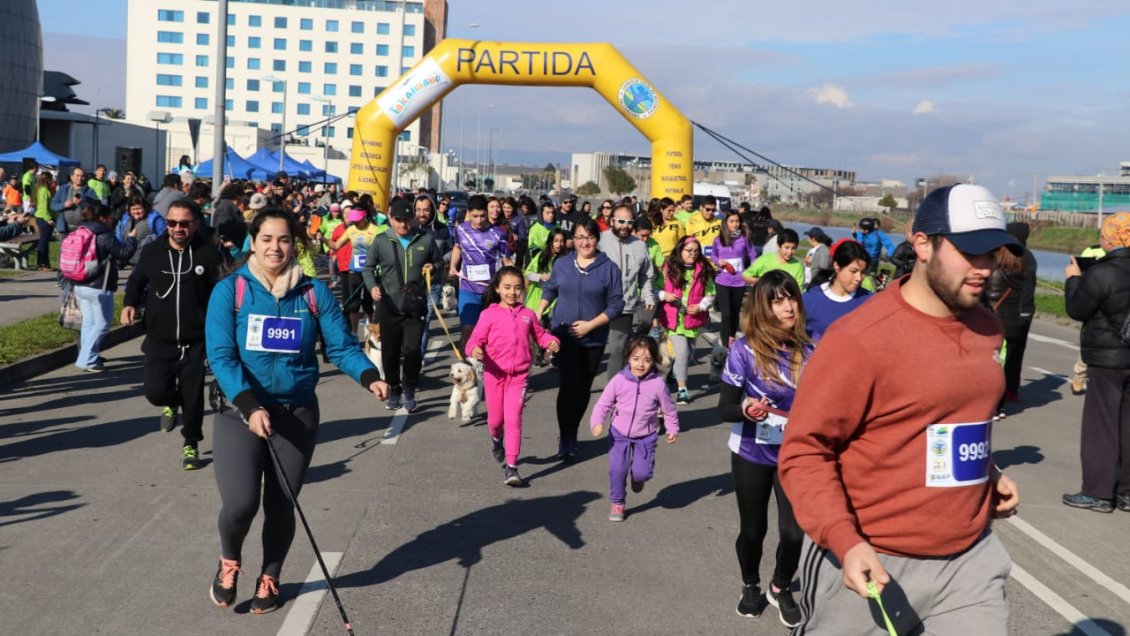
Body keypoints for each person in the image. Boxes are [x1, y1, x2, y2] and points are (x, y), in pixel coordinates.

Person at [778, 184, 1022, 635]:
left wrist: (986, 471)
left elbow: (944, 421)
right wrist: (844, 540)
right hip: (871, 562)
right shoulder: (858, 338)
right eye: (970, 252)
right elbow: (804, 451)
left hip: (970, 562)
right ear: (923, 244)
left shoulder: (988, 327)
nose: (984, 268)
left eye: (992, 254)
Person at [205, 208, 390, 614]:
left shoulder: (313, 293)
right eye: (267, 239)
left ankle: (270, 576)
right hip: (240, 412)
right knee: (240, 504)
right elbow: (221, 355)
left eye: (284, 240)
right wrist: (249, 405)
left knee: (282, 504)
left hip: (297, 414)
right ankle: (229, 561)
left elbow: (340, 346)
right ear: (254, 242)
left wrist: (368, 376)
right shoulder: (231, 291)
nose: (275, 247)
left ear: (295, 245)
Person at [718, 270, 811, 628]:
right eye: (778, 301)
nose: (788, 307)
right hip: (751, 453)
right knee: (753, 531)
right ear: (763, 307)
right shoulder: (744, 351)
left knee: (794, 532)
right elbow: (724, 408)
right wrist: (745, 408)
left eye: (791, 298)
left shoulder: (811, 349)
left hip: (795, 454)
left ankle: (780, 586)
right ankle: (751, 584)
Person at [121, 199, 223, 469]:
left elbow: (223, 290)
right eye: (172, 222)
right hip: (159, 340)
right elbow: (136, 281)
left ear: (196, 224)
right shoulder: (152, 251)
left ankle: (191, 443)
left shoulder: (207, 254)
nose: (178, 228)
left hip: (195, 342)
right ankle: (170, 402)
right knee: (155, 392)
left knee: (193, 397)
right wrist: (129, 304)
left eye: (184, 223)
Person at [466, 267, 561, 486]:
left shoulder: (528, 314)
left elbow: (541, 335)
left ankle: (512, 467)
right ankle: (496, 439)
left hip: (519, 377)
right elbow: (474, 340)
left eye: (517, 288)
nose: (512, 292)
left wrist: (552, 342)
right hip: (494, 375)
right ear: (497, 289)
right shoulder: (488, 315)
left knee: (513, 419)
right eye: (507, 287)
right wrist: (474, 349)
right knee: (495, 421)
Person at [1062, 211, 1130, 513]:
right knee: (1128, 424)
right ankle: (1127, 492)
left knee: (1101, 425)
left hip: (1107, 358)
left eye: (1103, 235)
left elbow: (1078, 309)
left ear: (1111, 239)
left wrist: (1073, 280)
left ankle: (1098, 492)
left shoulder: (1101, 273)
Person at [539, 217, 624, 460]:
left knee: (583, 388)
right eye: (580, 237)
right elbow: (551, 288)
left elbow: (616, 304)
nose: (585, 242)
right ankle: (566, 436)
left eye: (590, 237)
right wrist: (539, 309)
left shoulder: (609, 268)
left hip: (593, 337)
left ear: (597, 239)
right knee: (567, 386)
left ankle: (573, 428)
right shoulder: (562, 264)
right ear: (573, 240)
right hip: (564, 334)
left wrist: (590, 325)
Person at [362, 199, 444, 412]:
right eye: (398, 220)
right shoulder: (381, 240)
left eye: (406, 219)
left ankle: (409, 389)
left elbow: (439, 262)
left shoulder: (425, 238)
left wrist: (433, 268)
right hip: (389, 306)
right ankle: (395, 389)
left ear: (412, 219)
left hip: (415, 307)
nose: (403, 224)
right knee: (389, 352)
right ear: (390, 218)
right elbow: (368, 268)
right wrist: (372, 287)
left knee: (412, 350)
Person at [591, 336, 679, 522]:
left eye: (647, 360)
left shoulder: (658, 384)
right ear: (628, 358)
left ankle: (638, 478)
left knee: (642, 473)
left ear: (654, 361)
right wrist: (597, 422)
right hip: (619, 434)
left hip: (645, 435)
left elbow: (669, 409)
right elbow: (603, 404)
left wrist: (672, 429)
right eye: (636, 358)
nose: (641, 364)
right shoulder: (619, 380)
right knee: (617, 469)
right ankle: (617, 502)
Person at [71, 203, 138, 371]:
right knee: (102, 324)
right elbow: (123, 254)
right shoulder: (104, 234)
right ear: (103, 218)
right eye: (110, 217)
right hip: (99, 285)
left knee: (89, 323)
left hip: (80, 283)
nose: (112, 220)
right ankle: (87, 360)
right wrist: (131, 239)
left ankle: (88, 358)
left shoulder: (80, 231)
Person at [599, 204, 656, 382]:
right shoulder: (599, 241)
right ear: (612, 221)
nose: (625, 226)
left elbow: (646, 275)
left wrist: (648, 296)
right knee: (592, 352)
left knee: (618, 350)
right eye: (621, 221)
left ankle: (614, 391)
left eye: (629, 222)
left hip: (624, 307)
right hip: (597, 306)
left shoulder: (639, 245)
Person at [656, 235, 716, 404]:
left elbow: (711, 294)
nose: (693, 254)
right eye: (689, 250)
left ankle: (675, 371)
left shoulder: (703, 269)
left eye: (696, 251)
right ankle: (683, 391)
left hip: (693, 321)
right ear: (680, 250)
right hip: (673, 320)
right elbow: (655, 289)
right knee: (682, 352)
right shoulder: (668, 268)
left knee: (687, 356)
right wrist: (664, 295)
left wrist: (701, 306)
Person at [449, 195, 512, 351]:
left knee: (489, 332)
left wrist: (515, 281)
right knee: (468, 328)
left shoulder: (498, 233)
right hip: (468, 288)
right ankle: (465, 362)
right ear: (469, 213)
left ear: (487, 212)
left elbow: (507, 260)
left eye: (482, 216)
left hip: (490, 291)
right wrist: (453, 266)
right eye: (475, 216)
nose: (479, 220)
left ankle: (486, 362)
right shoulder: (461, 229)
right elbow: (457, 247)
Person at [802, 240, 872, 342]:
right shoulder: (811, 299)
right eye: (853, 271)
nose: (859, 278)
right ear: (837, 266)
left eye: (863, 272)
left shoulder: (870, 301)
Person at [330, 206, 381, 333]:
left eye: (357, 219)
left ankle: (372, 331)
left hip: (370, 271)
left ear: (364, 217)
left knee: (368, 302)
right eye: (353, 220)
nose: (354, 222)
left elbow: (380, 250)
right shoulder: (351, 229)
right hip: (354, 270)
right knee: (353, 303)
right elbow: (336, 245)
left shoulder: (374, 229)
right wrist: (322, 238)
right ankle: (354, 334)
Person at [712, 210, 757, 348]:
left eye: (737, 221)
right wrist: (719, 261)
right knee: (726, 314)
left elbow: (752, 254)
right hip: (722, 280)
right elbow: (713, 255)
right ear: (725, 223)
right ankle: (725, 345)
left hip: (739, 281)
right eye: (731, 221)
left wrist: (754, 270)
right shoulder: (718, 239)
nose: (735, 224)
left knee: (735, 313)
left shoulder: (745, 238)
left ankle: (731, 336)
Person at [1069, 242, 1108, 395]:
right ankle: (1079, 376)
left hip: (1114, 300)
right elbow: (1081, 271)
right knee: (1091, 339)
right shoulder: (1091, 250)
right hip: (1093, 299)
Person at [51, 167, 101, 234]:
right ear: (71, 177)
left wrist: (83, 203)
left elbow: (97, 206)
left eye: (82, 176)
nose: (80, 178)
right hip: (65, 229)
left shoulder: (89, 191)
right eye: (77, 175)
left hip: (83, 229)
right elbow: (53, 205)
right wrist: (64, 205)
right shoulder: (63, 189)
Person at [30, 172, 58, 271]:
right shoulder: (43, 190)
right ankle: (43, 264)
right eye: (51, 179)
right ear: (48, 179)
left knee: (44, 241)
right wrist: (48, 219)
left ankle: (44, 263)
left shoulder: (44, 189)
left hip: (45, 217)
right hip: (44, 218)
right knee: (43, 242)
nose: (52, 181)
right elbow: (43, 206)